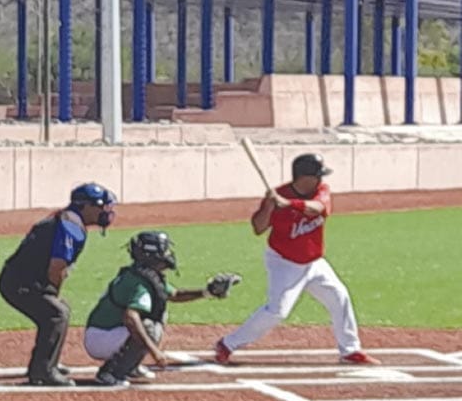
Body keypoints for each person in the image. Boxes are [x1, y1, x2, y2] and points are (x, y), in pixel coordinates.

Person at [215, 153, 380, 365]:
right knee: (277, 312)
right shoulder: (278, 196)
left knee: (339, 297)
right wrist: (269, 206)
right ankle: (227, 344)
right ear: (304, 178)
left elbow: (318, 208)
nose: (321, 179)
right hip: (284, 262)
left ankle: (350, 350)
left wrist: (289, 204)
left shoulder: (321, 191)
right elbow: (258, 228)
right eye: (317, 175)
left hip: (314, 262)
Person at [0, 182, 117, 387]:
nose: (105, 212)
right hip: (19, 283)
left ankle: (46, 363)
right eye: (99, 207)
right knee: (56, 314)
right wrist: (53, 292)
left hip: (21, 279)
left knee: (57, 312)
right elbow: (57, 266)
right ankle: (43, 371)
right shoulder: (70, 226)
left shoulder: (67, 219)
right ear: (85, 206)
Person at [85, 231, 241, 386]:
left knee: (157, 316)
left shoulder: (145, 275)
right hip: (101, 336)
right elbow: (130, 317)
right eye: (162, 250)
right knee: (148, 328)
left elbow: (175, 294)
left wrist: (208, 292)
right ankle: (111, 372)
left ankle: (130, 365)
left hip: (109, 332)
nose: (167, 254)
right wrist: (154, 351)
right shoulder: (138, 282)